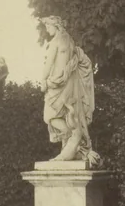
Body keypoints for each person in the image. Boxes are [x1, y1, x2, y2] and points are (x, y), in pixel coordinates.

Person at [40, 16, 99, 164]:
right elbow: (80, 60)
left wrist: (43, 80)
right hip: (68, 85)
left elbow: (48, 65)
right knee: (68, 114)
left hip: (56, 84)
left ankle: (74, 135)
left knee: (50, 116)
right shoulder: (70, 41)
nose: (46, 29)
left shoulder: (55, 42)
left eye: (48, 26)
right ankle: (73, 144)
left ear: (56, 25)